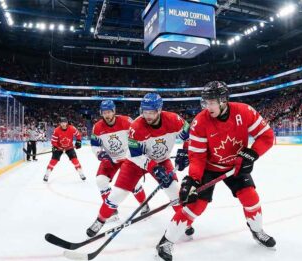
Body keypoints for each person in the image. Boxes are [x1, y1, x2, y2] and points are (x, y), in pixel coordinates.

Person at [156, 81, 276, 261]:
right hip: (209, 168)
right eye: (205, 102)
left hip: (235, 165)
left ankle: (257, 231)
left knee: (250, 197)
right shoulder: (200, 122)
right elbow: (197, 157)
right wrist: (193, 180)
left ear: (223, 101)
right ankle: (166, 241)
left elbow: (267, 136)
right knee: (195, 205)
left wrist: (252, 153)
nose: (207, 106)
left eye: (211, 102)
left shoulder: (244, 112)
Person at [86, 93, 191, 238]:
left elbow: (191, 135)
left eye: (151, 112)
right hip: (135, 163)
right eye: (145, 112)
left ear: (159, 110)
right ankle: (100, 220)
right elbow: (136, 155)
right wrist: (153, 167)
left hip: (162, 160)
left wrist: (186, 151)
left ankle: (184, 223)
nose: (147, 116)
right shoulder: (136, 126)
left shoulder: (174, 119)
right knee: (116, 195)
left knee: (174, 192)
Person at [90, 100, 148, 221]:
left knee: (134, 183)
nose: (107, 115)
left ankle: (144, 205)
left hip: (128, 157)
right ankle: (112, 211)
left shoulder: (126, 121)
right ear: (101, 113)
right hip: (110, 159)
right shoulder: (97, 127)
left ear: (114, 111)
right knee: (100, 181)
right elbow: (95, 145)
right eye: (104, 112)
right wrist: (100, 154)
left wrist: (140, 151)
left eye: (109, 112)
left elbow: (137, 135)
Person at [43, 117, 86, 182]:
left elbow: (78, 135)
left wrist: (78, 142)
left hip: (69, 147)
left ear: (67, 123)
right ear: (60, 123)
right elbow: (53, 141)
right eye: (62, 123)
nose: (63, 124)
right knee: (53, 161)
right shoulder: (56, 130)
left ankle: (81, 173)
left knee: (75, 160)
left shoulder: (72, 128)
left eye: (64, 122)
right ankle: (47, 174)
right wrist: (55, 146)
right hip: (59, 148)